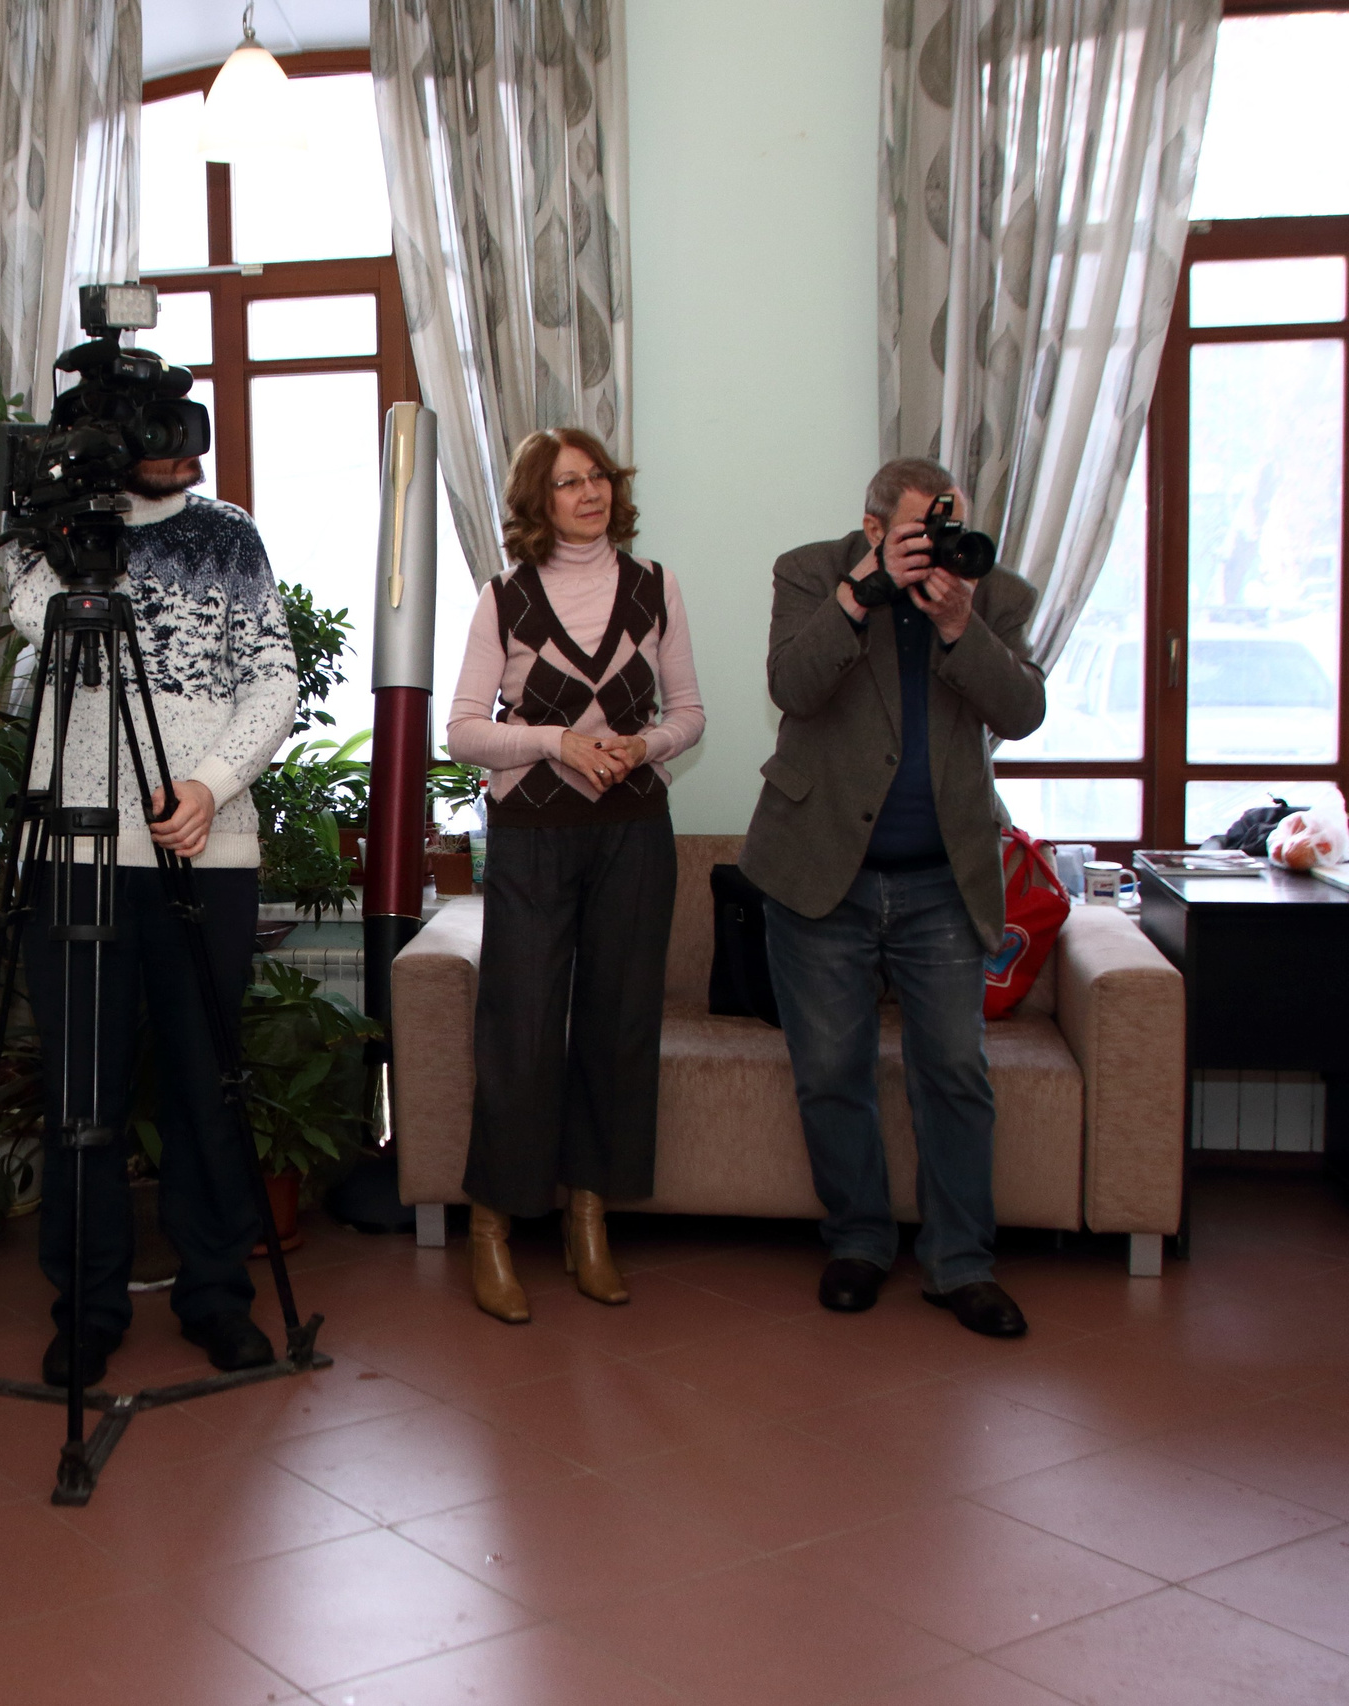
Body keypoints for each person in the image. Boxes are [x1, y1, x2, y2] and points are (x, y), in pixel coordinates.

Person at [3, 444, 298, 1388]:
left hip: (202, 854)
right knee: (79, 1092)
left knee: (205, 1083)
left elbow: (273, 676)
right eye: (152, 426)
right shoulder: (54, 539)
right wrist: (60, 525)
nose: (182, 444)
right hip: (75, 854)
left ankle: (217, 1296)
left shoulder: (227, 536)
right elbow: (31, 629)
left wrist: (212, 786)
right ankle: (84, 1307)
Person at [741, 457, 1046, 1338]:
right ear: (874, 528)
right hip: (817, 873)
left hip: (942, 881)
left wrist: (961, 627)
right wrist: (861, 594)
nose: (941, 546)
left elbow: (1021, 711)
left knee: (954, 1072)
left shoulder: (991, 590)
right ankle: (860, 1243)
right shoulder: (810, 570)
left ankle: (961, 1264)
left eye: (950, 526)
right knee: (832, 1073)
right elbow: (790, 687)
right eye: (922, 530)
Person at [446, 429, 706, 1323]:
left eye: (597, 477)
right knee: (518, 1028)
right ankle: (493, 1228)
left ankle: (588, 1218)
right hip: (532, 836)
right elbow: (465, 733)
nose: (589, 493)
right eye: (567, 482)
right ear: (537, 499)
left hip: (635, 832)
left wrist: (648, 744)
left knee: (618, 1025)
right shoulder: (504, 598)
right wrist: (555, 739)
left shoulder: (654, 587)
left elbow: (690, 712)